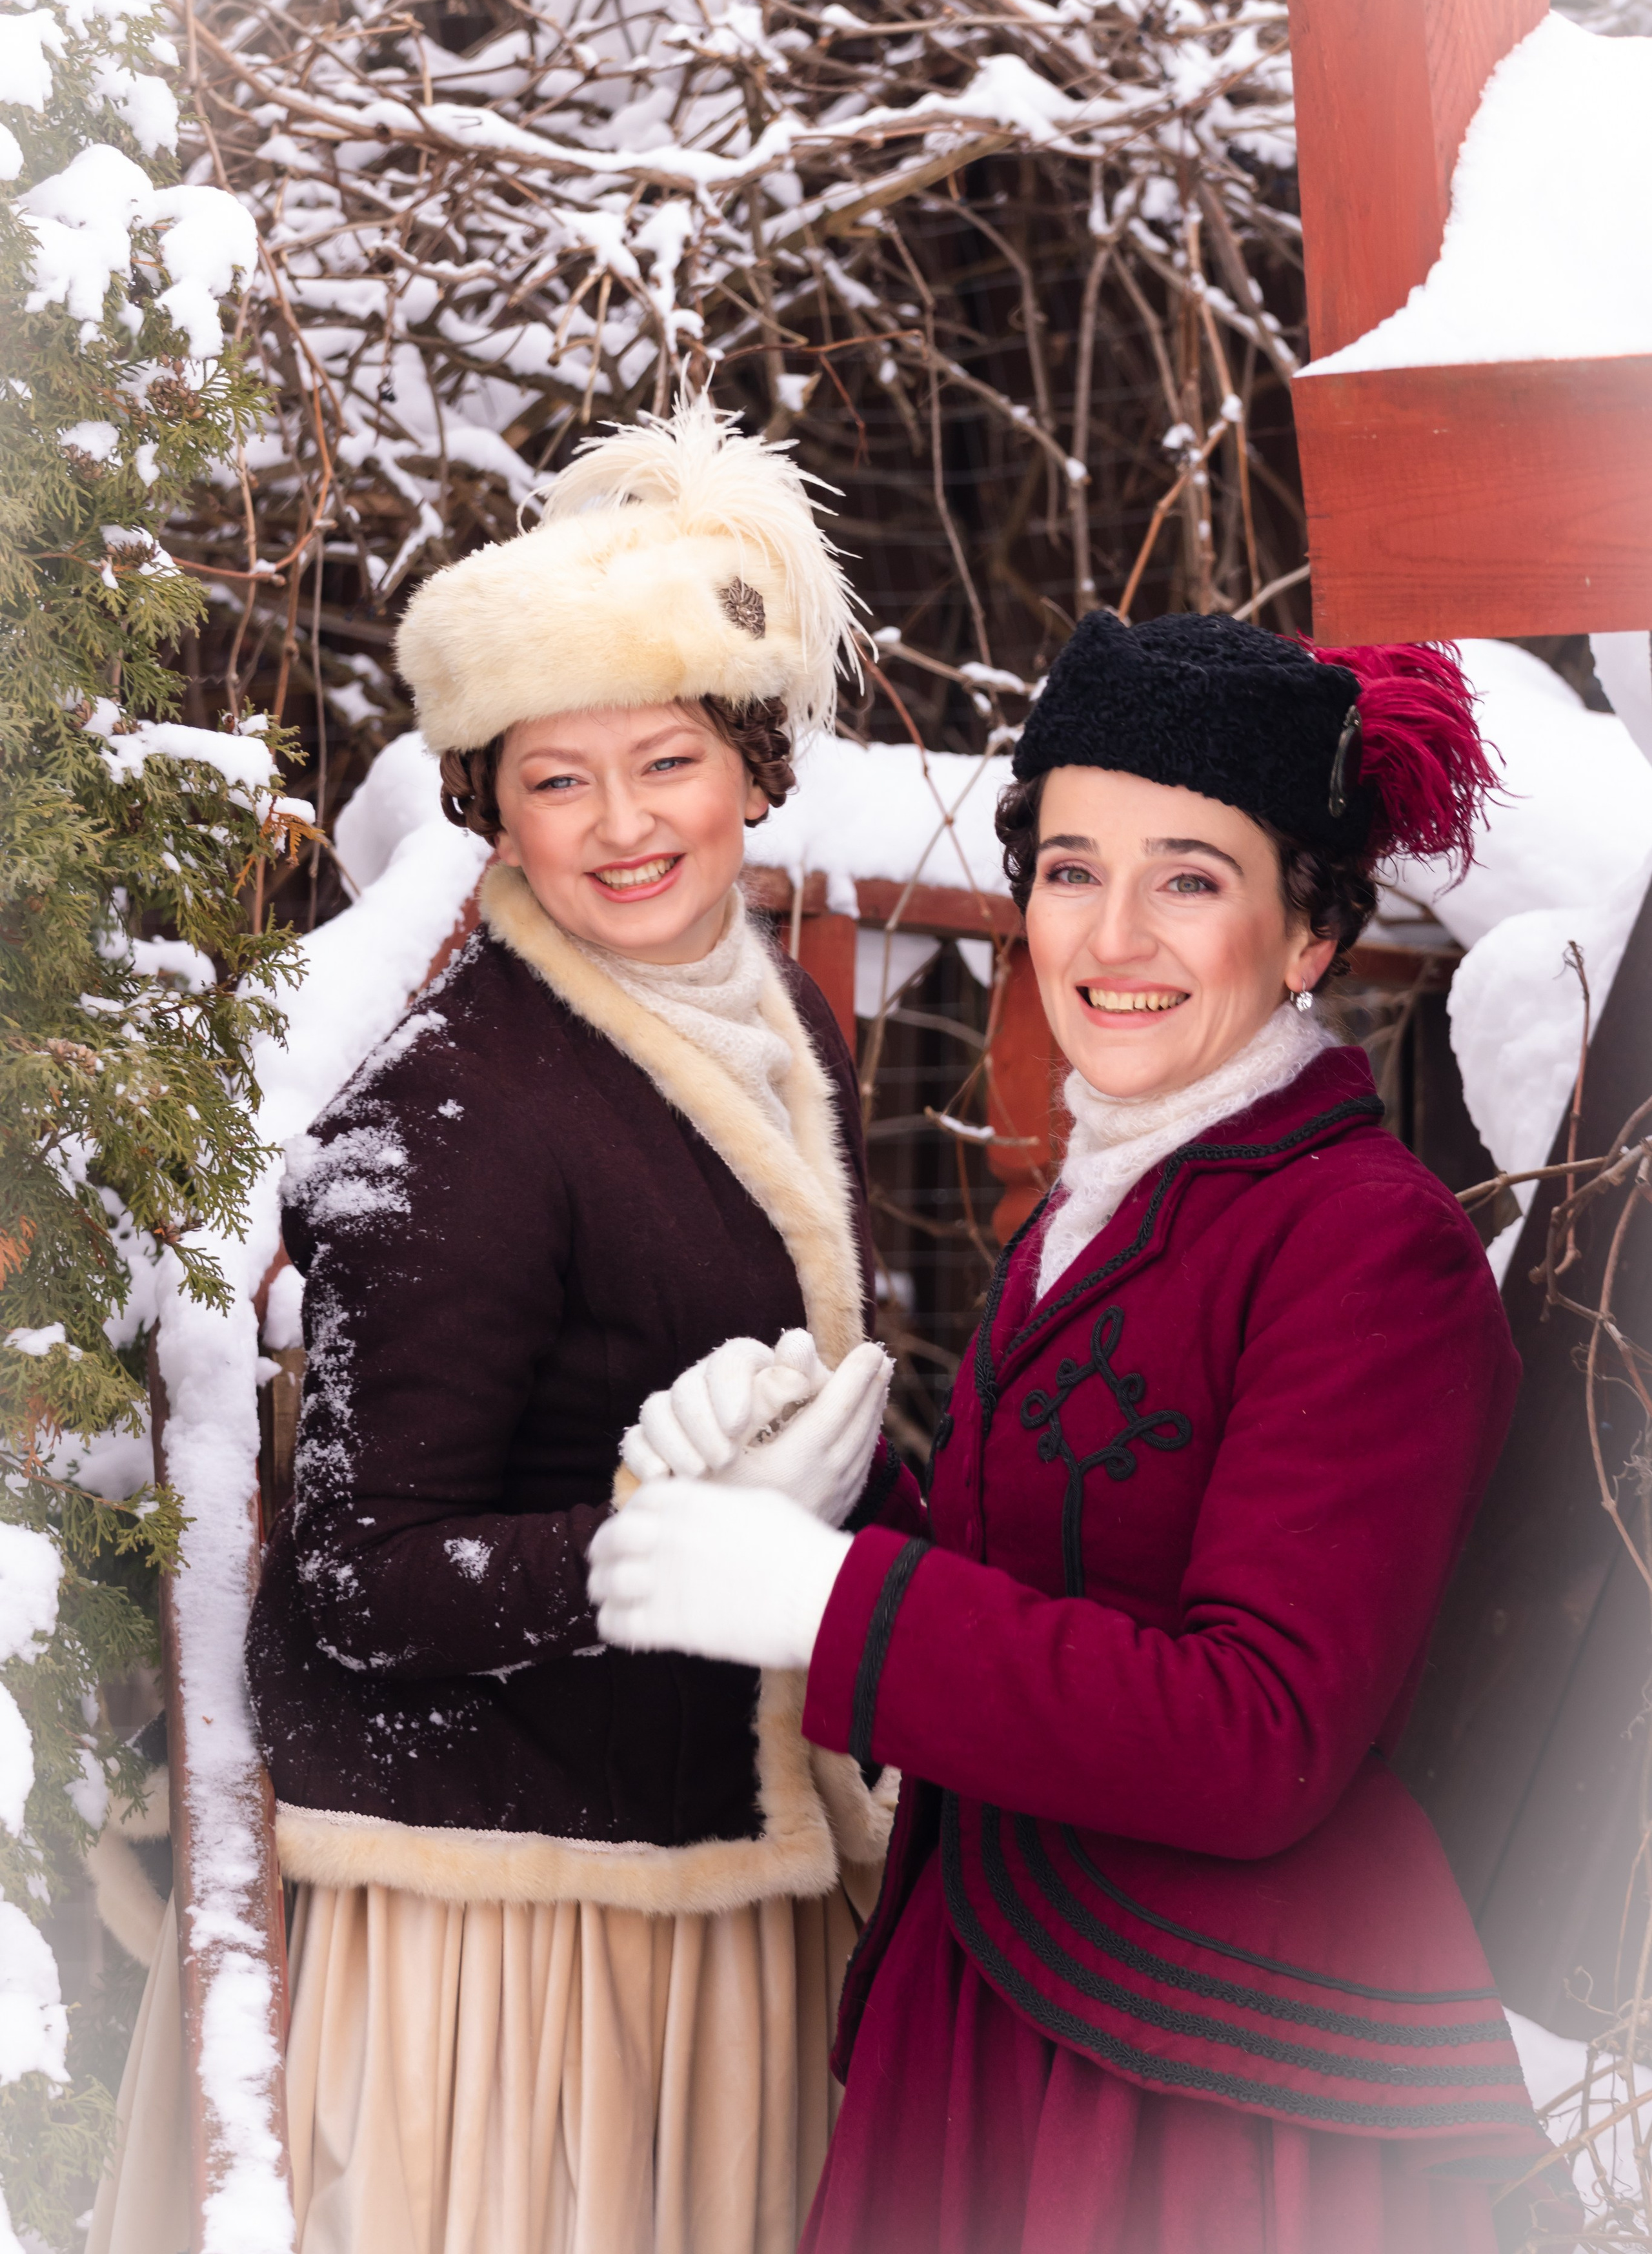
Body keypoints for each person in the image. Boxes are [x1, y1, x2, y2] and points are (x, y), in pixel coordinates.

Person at [589, 612, 1555, 2254]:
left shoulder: (1359, 1244)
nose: (1111, 936)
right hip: (997, 2014)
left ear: (1308, 931)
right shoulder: (1112, 1193)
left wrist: (827, 1605)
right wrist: (828, 1518)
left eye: (1187, 877)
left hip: (1203, 2100)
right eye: (1067, 868)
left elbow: (1257, 1737)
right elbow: (1043, 1613)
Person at [89, 394, 923, 2254]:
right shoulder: (451, 1117)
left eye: (668, 762)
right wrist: (665, 1545)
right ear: (488, 800)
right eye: (558, 778)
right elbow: (365, 1583)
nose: (625, 827)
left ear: (751, 763)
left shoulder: (784, 1024)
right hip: (508, 1934)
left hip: (704, 1855)